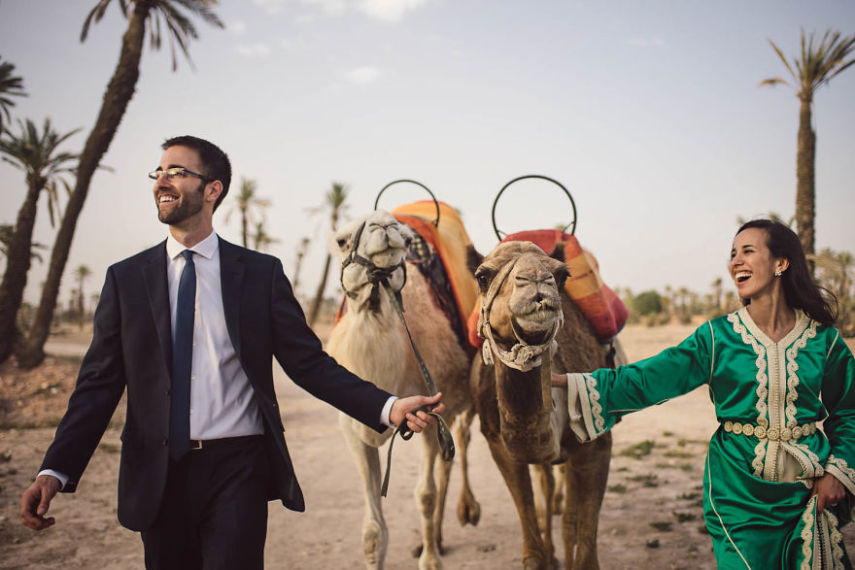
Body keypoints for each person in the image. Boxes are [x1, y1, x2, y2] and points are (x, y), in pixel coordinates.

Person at [19, 135, 445, 569]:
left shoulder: (261, 274)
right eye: (159, 172)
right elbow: (98, 385)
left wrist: (386, 406)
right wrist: (54, 471)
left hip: (238, 470)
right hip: (157, 474)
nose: (162, 181)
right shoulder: (125, 280)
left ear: (212, 189)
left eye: (177, 171)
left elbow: (309, 364)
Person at [553, 219, 854, 568]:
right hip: (738, 493)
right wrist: (574, 382)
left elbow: (848, 411)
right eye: (732, 254)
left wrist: (837, 471)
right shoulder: (716, 338)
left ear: (781, 263)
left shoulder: (824, 341)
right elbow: (652, 378)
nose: (735, 261)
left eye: (748, 251)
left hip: (808, 492)